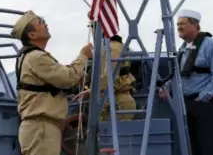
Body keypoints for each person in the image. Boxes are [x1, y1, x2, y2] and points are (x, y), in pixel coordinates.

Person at [11, 10, 93, 155]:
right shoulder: (36, 57)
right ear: (32, 35)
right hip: (41, 129)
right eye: (40, 22)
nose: (45, 24)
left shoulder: (31, 57)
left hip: (41, 128)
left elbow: (57, 81)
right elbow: (67, 78)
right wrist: (83, 56)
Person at [158, 9, 213, 155]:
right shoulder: (183, 50)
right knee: (191, 148)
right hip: (186, 104)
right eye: (177, 25)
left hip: (205, 106)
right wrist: (166, 87)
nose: (179, 27)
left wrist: (201, 98)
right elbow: (178, 74)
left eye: (183, 24)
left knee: (207, 148)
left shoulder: (211, 46)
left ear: (195, 25)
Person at [73, 34, 136, 121]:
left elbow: (109, 77)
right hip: (117, 100)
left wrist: (90, 92)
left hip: (118, 102)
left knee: (110, 132)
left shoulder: (112, 48)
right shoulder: (117, 47)